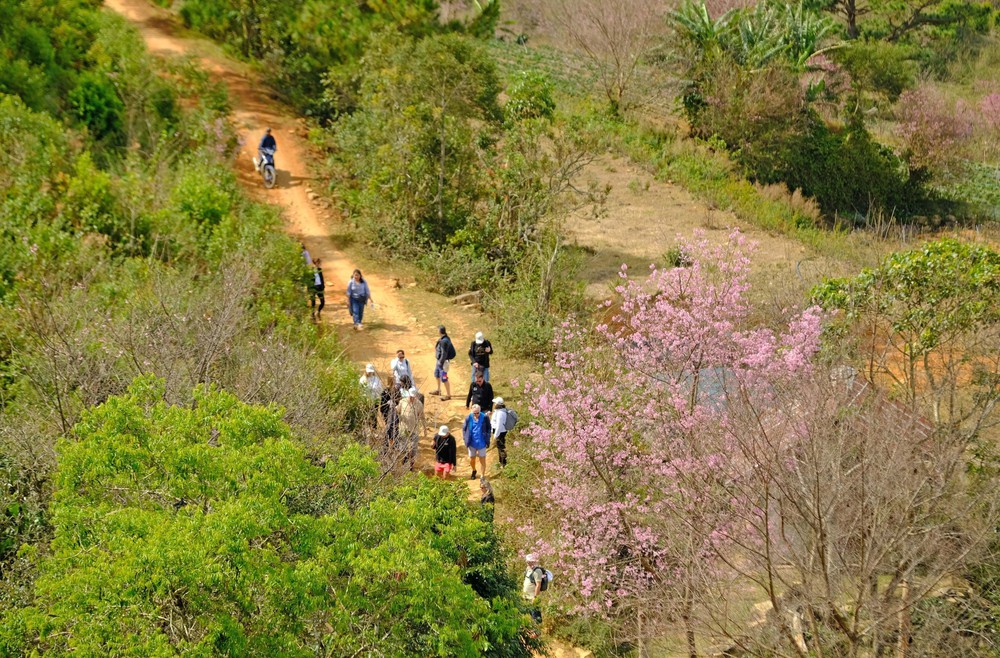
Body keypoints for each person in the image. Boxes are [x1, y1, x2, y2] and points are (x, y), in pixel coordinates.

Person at [396, 387, 424, 469]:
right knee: (403, 448)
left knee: (413, 449)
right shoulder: (402, 401)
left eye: (413, 396)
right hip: (403, 428)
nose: (411, 398)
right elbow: (398, 411)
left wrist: (424, 429)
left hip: (414, 430)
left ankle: (411, 465)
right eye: (410, 396)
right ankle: (403, 462)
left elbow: (421, 416)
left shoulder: (419, 404)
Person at [462, 404, 491, 480]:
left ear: (480, 411)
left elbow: (488, 428)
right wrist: (465, 438)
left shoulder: (485, 417)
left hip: (482, 443)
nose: (476, 414)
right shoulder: (469, 418)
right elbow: (464, 429)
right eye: (474, 413)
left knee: (482, 460)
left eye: (477, 413)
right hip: (472, 443)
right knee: (472, 459)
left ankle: (482, 475)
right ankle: (474, 470)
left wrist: (488, 436)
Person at [432, 325, 455, 401]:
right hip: (440, 361)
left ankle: (448, 395)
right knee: (437, 374)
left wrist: (440, 363)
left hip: (443, 363)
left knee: (444, 378)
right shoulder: (445, 338)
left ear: (439, 331)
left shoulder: (444, 341)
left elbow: (444, 354)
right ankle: (438, 390)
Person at [522, 554, 546, 624]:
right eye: (528, 562)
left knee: (535, 618)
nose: (529, 563)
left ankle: (537, 632)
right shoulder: (528, 569)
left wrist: (535, 598)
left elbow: (538, 585)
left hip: (533, 598)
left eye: (531, 561)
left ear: (534, 562)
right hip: (526, 598)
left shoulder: (537, 571)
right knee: (528, 618)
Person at [359, 364, 383, 429]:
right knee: (366, 416)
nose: (370, 373)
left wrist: (376, 393)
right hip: (366, 401)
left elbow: (380, 389)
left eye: (371, 371)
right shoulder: (362, 379)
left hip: (375, 401)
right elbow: (360, 390)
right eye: (369, 371)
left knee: (374, 416)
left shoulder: (376, 379)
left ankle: (374, 430)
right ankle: (366, 429)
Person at [491, 397, 509, 470]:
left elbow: (499, 425)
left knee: (501, 447)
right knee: (499, 447)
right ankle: (501, 462)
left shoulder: (501, 413)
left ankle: (503, 463)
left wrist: (495, 435)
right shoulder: (499, 411)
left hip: (500, 432)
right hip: (499, 432)